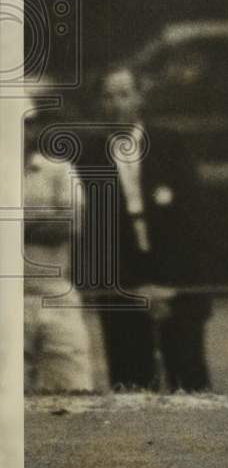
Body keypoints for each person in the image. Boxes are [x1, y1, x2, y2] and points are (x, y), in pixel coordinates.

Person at [76, 65, 212, 391]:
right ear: (98, 103)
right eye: (108, 96)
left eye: (124, 94)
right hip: (122, 282)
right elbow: (94, 235)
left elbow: (192, 222)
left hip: (176, 279)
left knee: (190, 381)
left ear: (139, 98)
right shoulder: (87, 158)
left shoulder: (170, 144)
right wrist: (130, 289)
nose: (117, 104)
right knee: (130, 386)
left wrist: (171, 288)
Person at [23, 90, 93, 393]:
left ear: (33, 128)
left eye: (25, 124)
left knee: (73, 391)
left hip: (57, 294)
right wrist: (41, 223)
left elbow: (70, 224)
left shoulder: (58, 168)